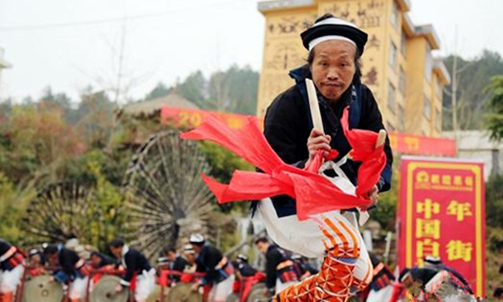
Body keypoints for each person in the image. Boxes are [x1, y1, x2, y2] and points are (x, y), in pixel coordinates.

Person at [258, 13, 392, 302]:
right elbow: (269, 169)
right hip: (287, 197)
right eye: (323, 63)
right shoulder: (286, 105)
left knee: (360, 275)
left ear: (355, 68)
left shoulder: (363, 100)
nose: (333, 73)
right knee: (344, 246)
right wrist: (306, 162)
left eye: (343, 64)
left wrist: (374, 185)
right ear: (310, 65)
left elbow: (382, 154)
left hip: (335, 190)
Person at [189, 234, 234, 302]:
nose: (193, 249)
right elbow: (200, 267)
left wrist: (199, 283)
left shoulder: (210, 252)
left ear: (197, 246)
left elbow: (211, 272)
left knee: (218, 300)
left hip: (225, 277)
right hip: (216, 277)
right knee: (210, 299)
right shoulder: (201, 253)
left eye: (193, 247)